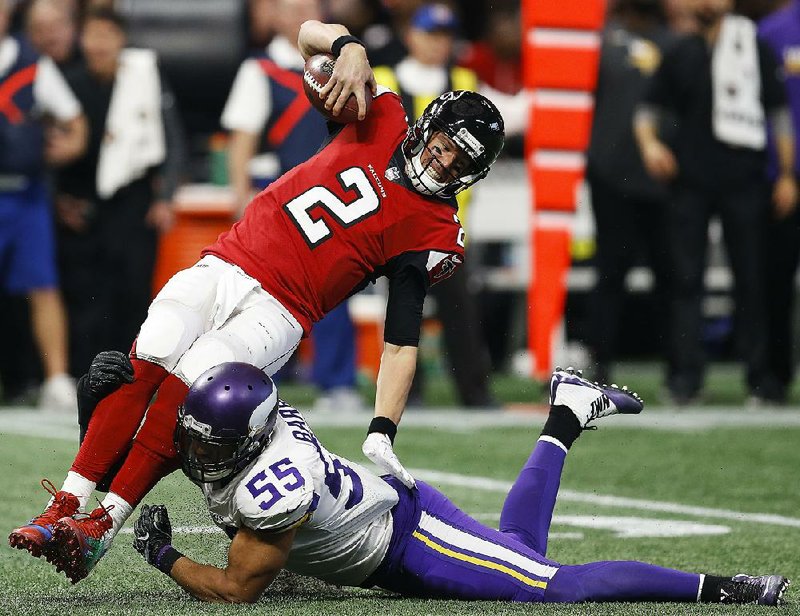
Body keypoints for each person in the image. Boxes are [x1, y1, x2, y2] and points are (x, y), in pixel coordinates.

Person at [7, 18, 505, 584]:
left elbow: (400, 342)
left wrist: (383, 429)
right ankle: (64, 507)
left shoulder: (435, 230)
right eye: (443, 147)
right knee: (151, 352)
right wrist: (348, 47)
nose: (442, 163)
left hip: (283, 310)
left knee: (188, 385)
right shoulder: (383, 114)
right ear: (428, 128)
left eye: (458, 163)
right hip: (229, 259)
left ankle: (101, 526)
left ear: (472, 174)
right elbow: (309, 36)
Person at [75, 359, 790, 606]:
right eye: (196, 436)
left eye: (210, 443)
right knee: (520, 550)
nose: (195, 451)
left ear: (252, 438)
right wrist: (101, 395)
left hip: (411, 540)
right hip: (388, 529)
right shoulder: (235, 432)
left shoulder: (270, 480)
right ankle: (567, 413)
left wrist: (165, 556)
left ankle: (725, 588)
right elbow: (146, 438)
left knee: (552, 586)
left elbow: (235, 589)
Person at [634, 0, 797, 404]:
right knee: (686, 281)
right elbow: (646, 110)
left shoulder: (753, 46)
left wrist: (789, 175)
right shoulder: (682, 52)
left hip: (745, 179)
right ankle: (685, 378)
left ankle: (761, 380)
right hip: (690, 181)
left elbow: (778, 114)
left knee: (752, 281)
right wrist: (650, 145)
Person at [222, 0, 363, 412]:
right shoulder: (260, 69)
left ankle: (337, 381)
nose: (301, 15)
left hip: (331, 191)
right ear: (275, 17)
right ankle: (261, 377)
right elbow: (243, 137)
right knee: (268, 290)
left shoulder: (345, 64)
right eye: (292, 7)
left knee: (336, 285)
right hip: (278, 190)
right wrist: (239, 193)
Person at [373, 2, 511, 408]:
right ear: (412, 35)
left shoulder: (465, 81)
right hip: (396, 221)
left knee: (460, 313)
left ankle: (474, 389)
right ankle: (407, 393)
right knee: (403, 312)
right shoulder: (386, 80)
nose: (438, 44)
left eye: (445, 36)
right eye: (431, 34)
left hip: (447, 223)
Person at [54, 6, 184, 378]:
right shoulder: (68, 82)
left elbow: (171, 137)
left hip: (133, 201)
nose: (99, 44)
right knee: (84, 292)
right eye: (92, 35)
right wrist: (58, 202)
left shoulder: (143, 77)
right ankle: (85, 374)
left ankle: (130, 375)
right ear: (81, 39)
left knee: (133, 291)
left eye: (107, 35)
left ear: (121, 40)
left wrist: (165, 196)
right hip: (81, 207)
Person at [0, 0, 87, 411]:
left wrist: (44, 154)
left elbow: (76, 125)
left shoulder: (34, 64)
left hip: (25, 195)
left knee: (42, 286)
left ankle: (55, 378)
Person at [586, 0, 676, 386]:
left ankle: (682, 372)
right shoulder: (599, 42)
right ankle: (599, 362)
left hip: (666, 177)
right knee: (610, 274)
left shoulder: (676, 42)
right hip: (612, 177)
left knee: (673, 276)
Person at [757, 0, 800, 404]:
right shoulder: (772, 32)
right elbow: (767, 108)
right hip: (785, 178)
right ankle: (775, 376)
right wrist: (783, 172)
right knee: (776, 280)